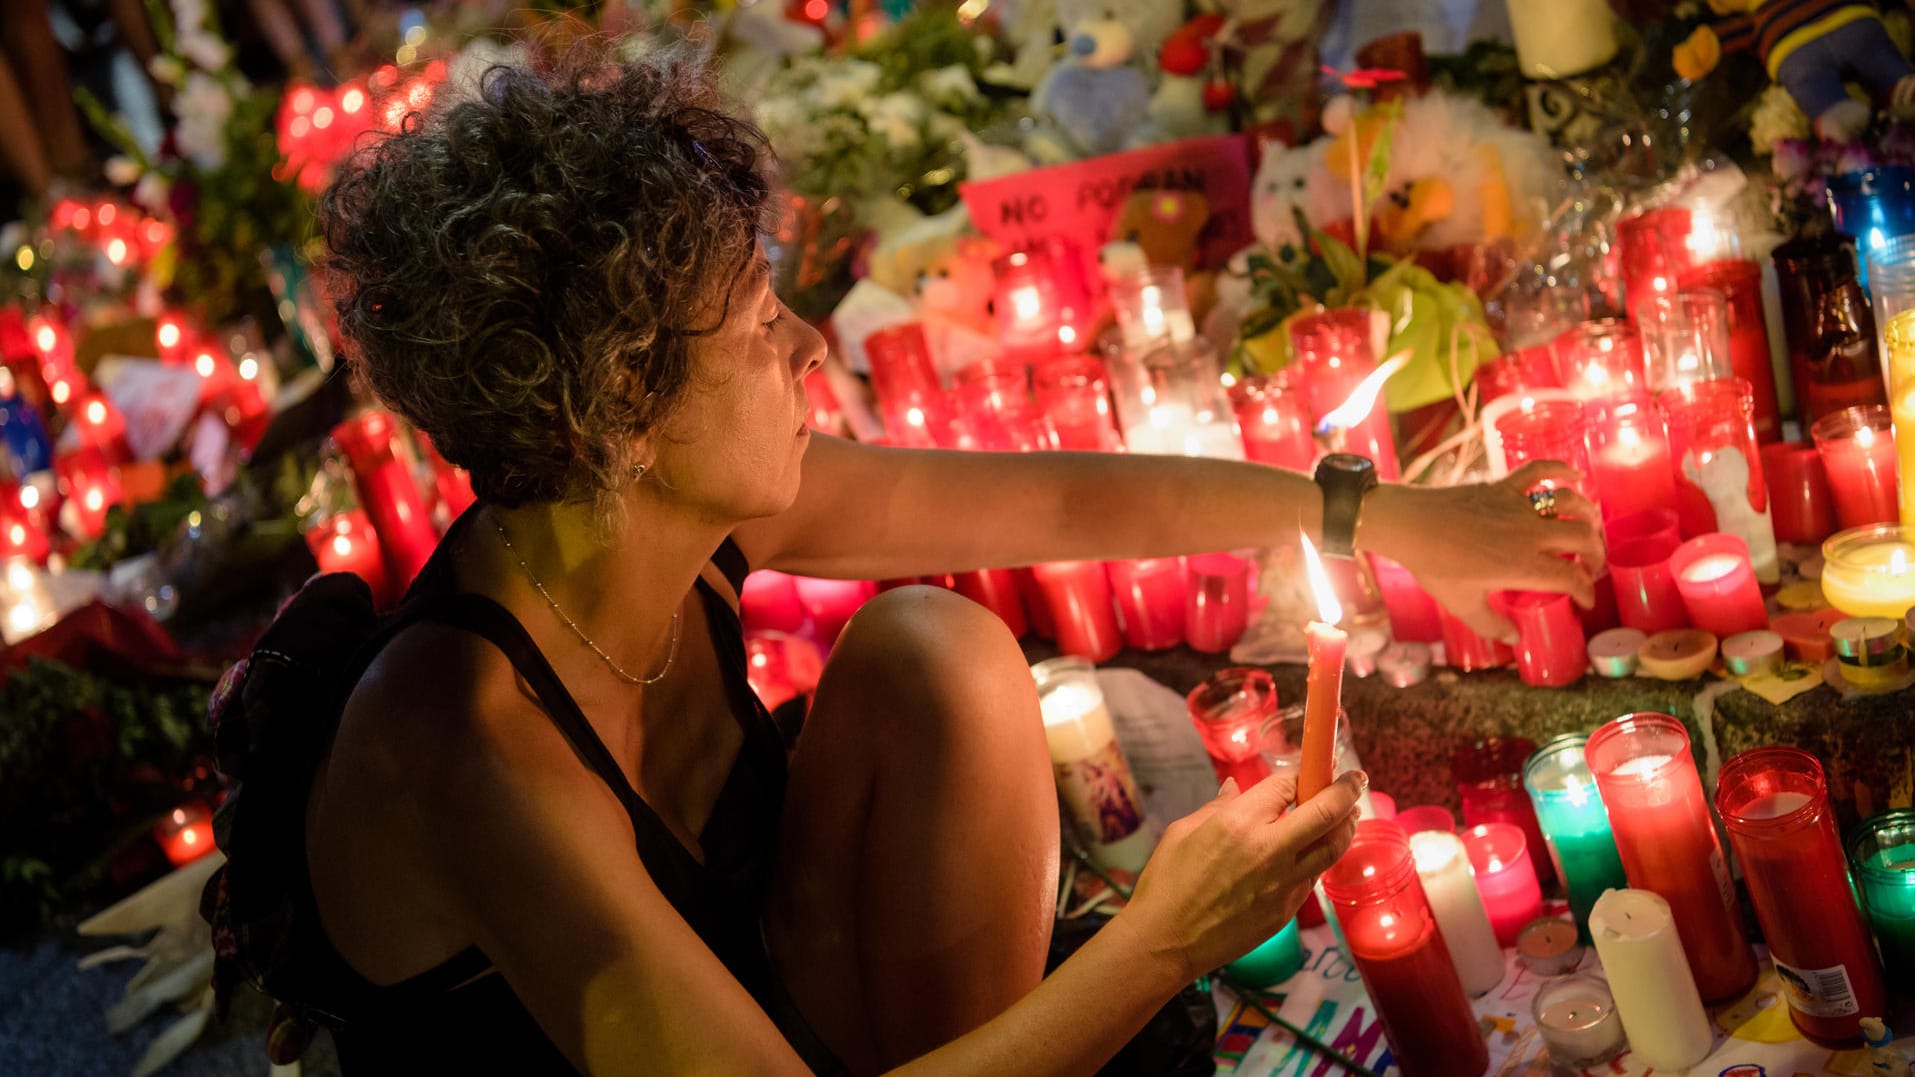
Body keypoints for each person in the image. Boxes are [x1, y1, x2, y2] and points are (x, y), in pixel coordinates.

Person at [267, 44, 1603, 1075]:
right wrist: (1165, 939)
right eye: (753, 325)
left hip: (783, 988)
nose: (806, 346)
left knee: (940, 650)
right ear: (613, 410)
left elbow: (1062, 506)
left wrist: (1394, 523)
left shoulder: (660, 509)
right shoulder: (464, 738)